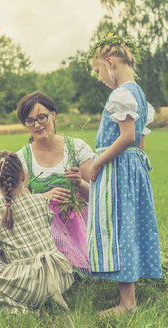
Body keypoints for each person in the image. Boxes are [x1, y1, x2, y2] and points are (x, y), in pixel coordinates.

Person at [85, 33, 162, 315]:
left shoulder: (121, 94)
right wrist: (135, 169)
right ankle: (127, 297)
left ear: (110, 63)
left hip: (117, 169)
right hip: (131, 169)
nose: (99, 77)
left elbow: (127, 137)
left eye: (98, 71)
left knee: (119, 229)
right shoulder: (138, 93)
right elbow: (140, 142)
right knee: (129, 227)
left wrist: (98, 162)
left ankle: (127, 303)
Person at [0, 151, 74, 313]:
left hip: (31, 284)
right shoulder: (40, 201)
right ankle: (53, 297)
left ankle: (17, 308)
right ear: (23, 176)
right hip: (60, 275)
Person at [16, 92, 93, 278]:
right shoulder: (21, 158)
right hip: (45, 226)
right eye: (30, 120)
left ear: (53, 115)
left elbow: (95, 195)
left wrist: (79, 182)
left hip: (79, 224)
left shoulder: (78, 148)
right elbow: (21, 203)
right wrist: (43, 197)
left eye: (41, 117)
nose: (37, 125)